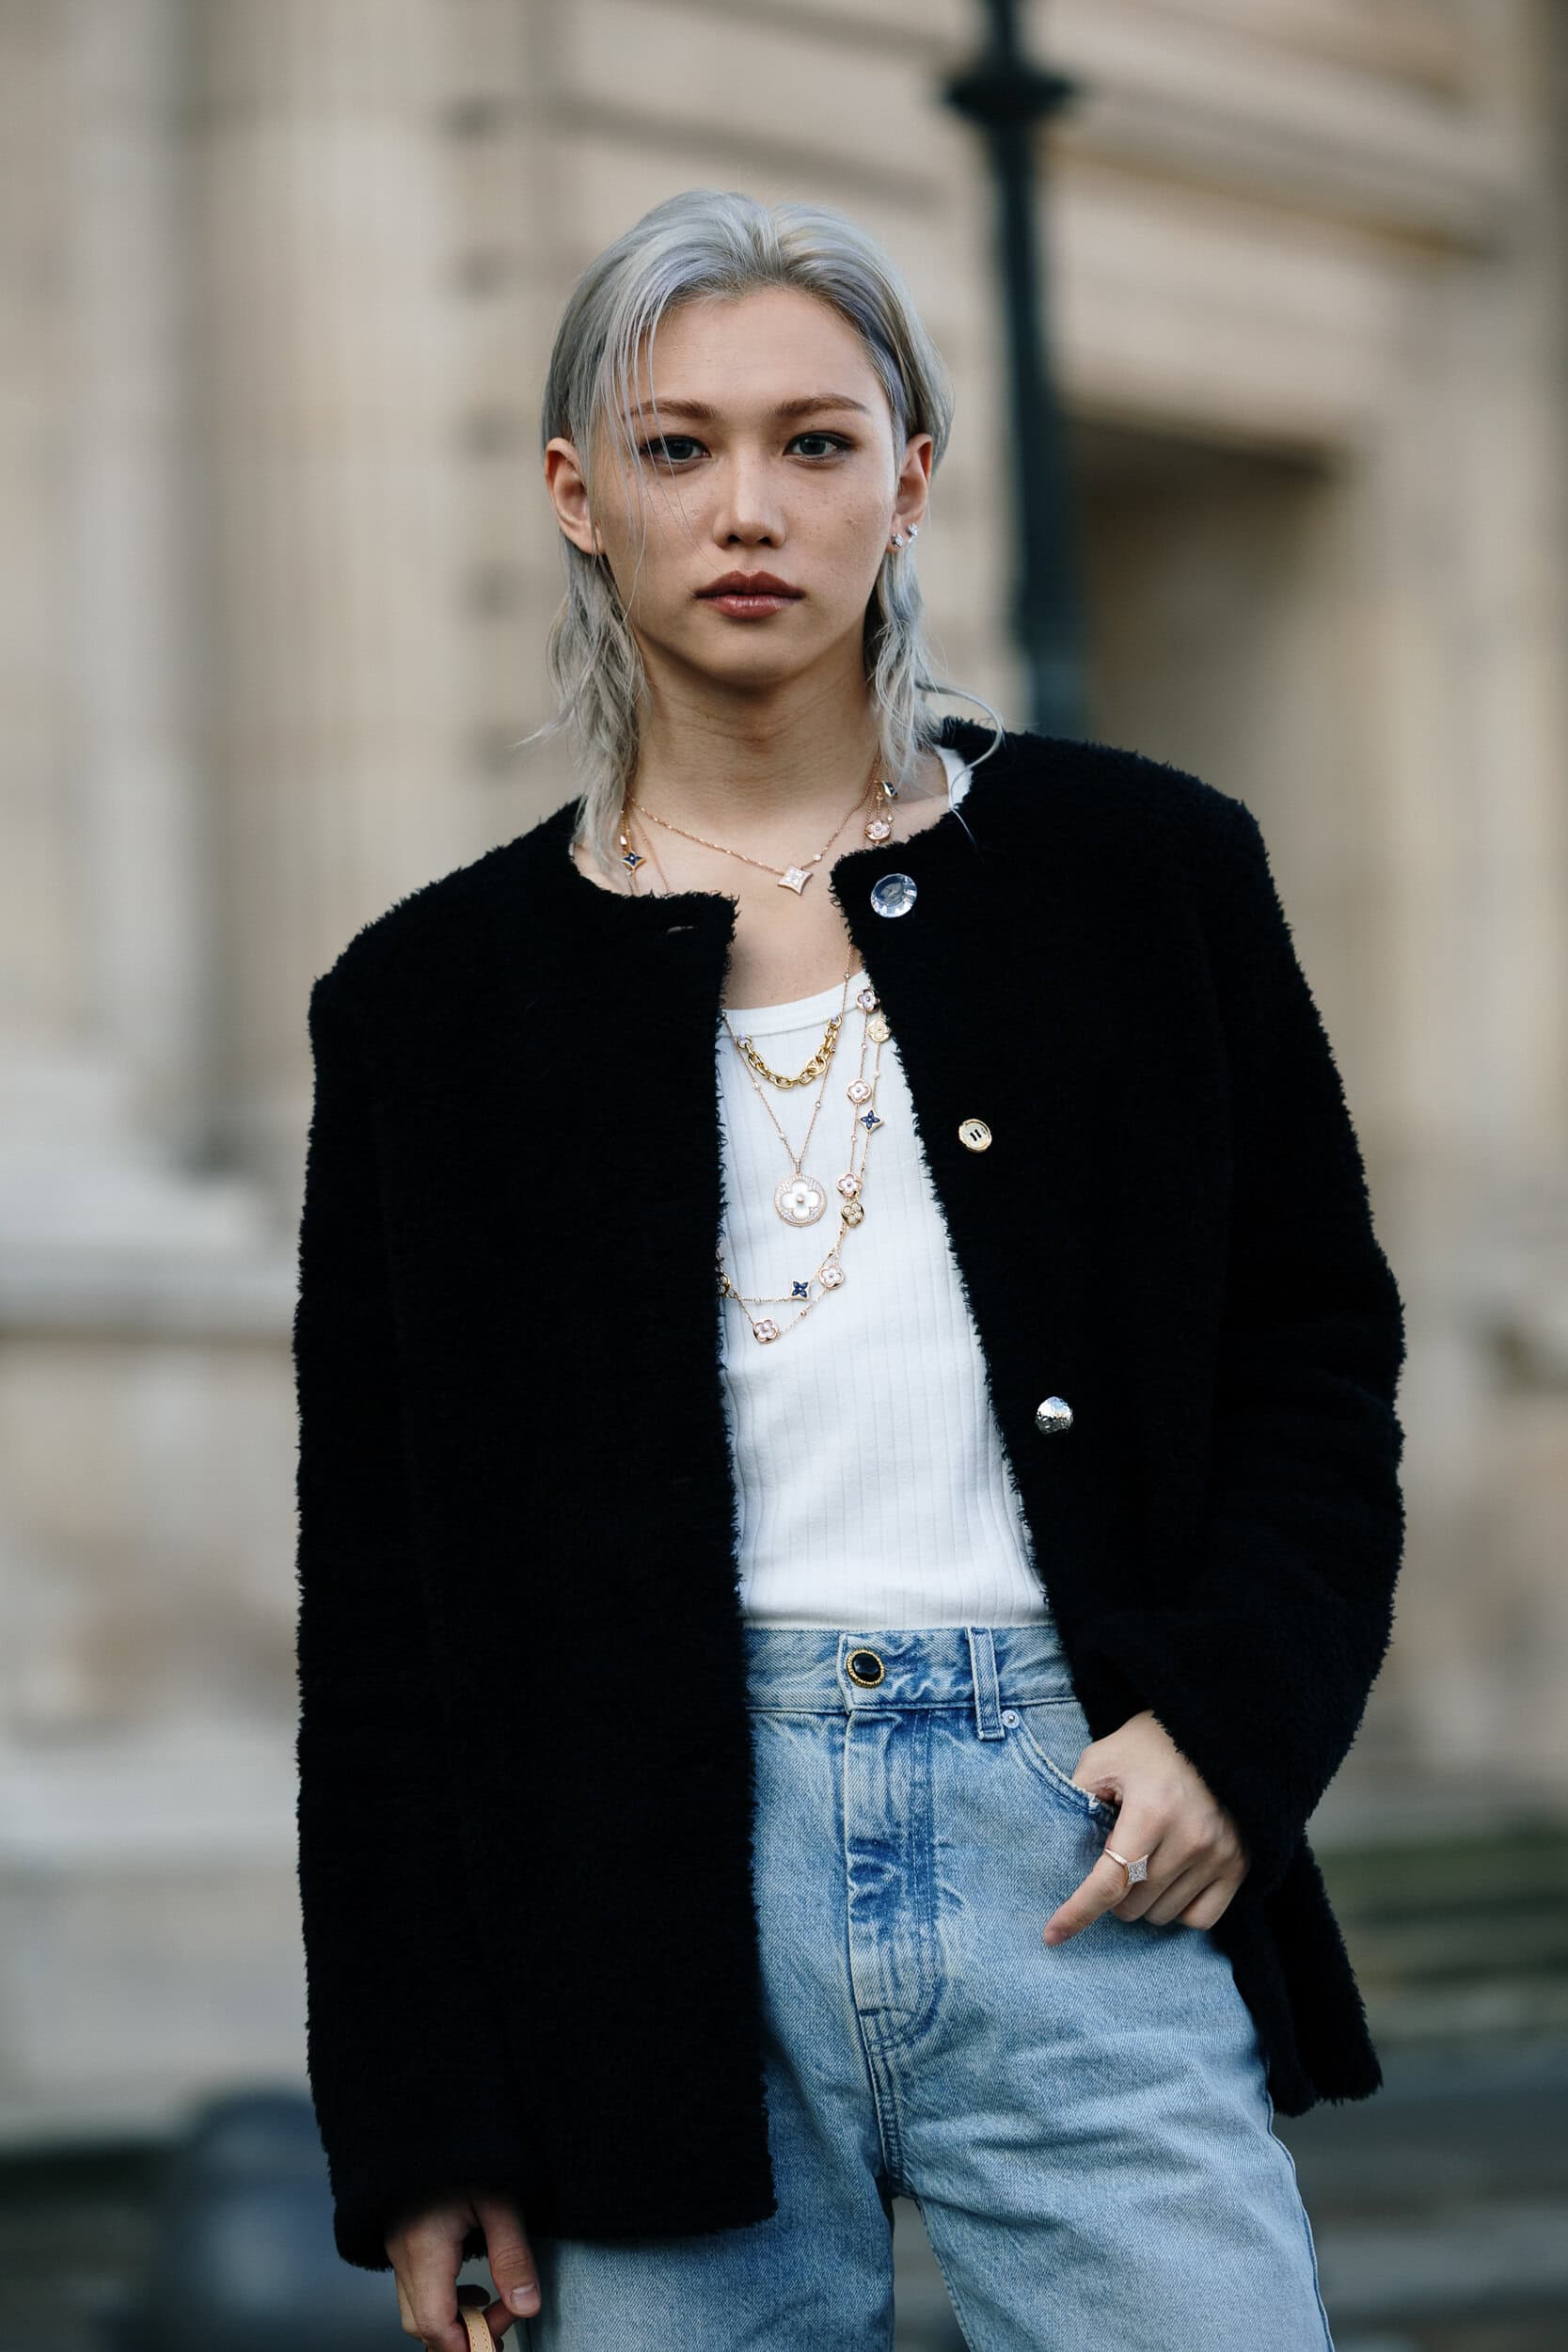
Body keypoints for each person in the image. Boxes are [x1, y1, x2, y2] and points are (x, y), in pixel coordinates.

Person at [292, 189, 1406, 2352]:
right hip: (636, 1911)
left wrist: (1234, 1723)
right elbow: (391, 1592)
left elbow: (1312, 1352)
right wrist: (423, 2114)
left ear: (909, 481)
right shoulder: (430, 1002)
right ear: (578, 494)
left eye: (816, 442)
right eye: (679, 445)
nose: (749, 507)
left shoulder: (1147, 874)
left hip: (1073, 1845)